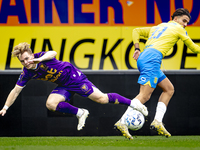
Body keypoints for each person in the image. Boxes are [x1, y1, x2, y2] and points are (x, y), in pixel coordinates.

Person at [0, 42, 148, 133]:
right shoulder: (26, 72)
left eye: (27, 58)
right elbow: (15, 90)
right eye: (22, 61)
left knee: (102, 99)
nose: (26, 62)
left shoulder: (41, 56)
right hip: (64, 85)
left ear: (31, 54)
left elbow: (53, 53)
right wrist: (5, 107)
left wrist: (39, 58)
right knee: (50, 104)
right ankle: (80, 113)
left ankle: (134, 104)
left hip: (74, 78)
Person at [114, 8, 200, 140]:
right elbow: (194, 48)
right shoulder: (178, 29)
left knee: (169, 89)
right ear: (175, 19)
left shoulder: (159, 27)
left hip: (146, 57)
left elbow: (136, 31)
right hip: (152, 59)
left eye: (187, 22)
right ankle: (122, 121)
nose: (185, 24)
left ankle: (157, 121)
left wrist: (137, 48)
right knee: (144, 95)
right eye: (184, 21)